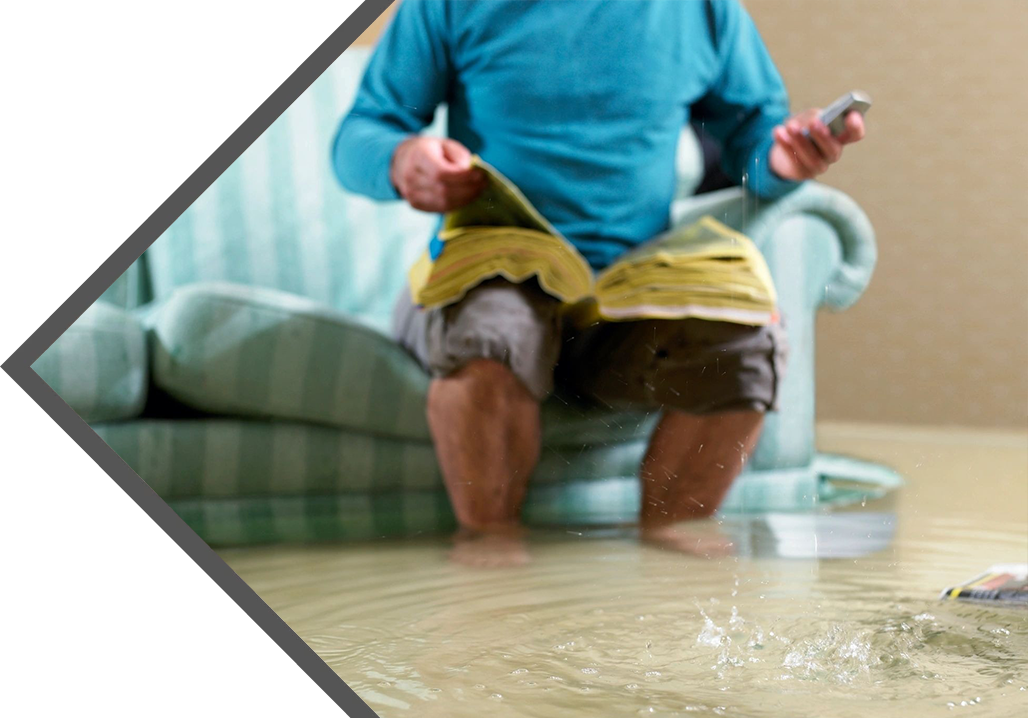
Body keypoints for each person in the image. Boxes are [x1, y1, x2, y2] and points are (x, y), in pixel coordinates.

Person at [333, 0, 866, 564]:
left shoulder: (705, 11)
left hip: (629, 294)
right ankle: (489, 543)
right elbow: (362, 132)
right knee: (493, 332)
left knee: (746, 345)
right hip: (494, 269)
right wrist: (400, 159)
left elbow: (754, 147)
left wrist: (786, 161)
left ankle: (672, 535)